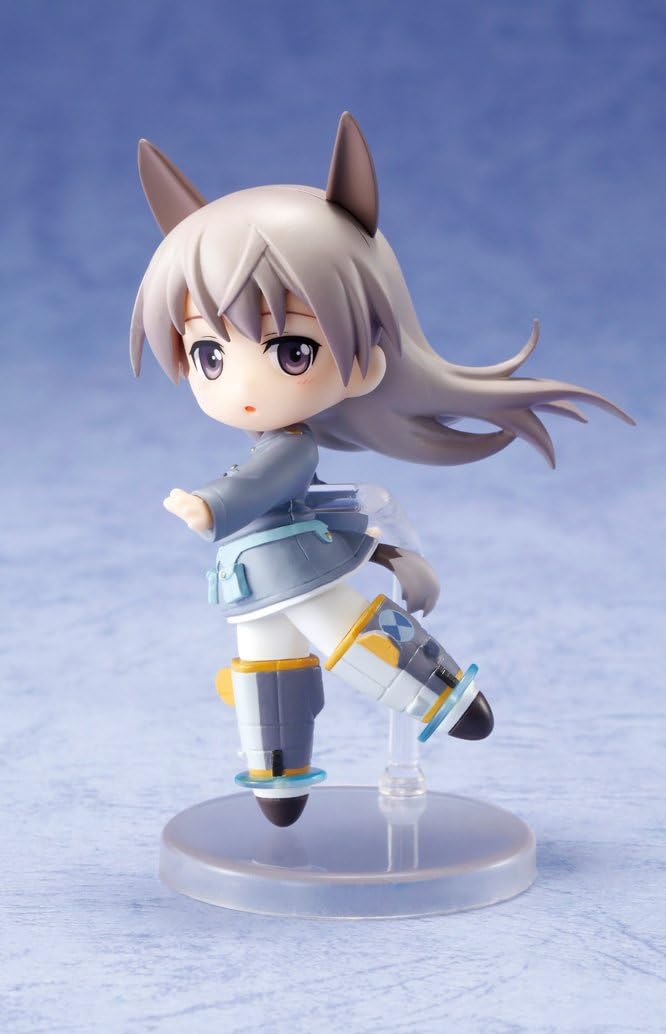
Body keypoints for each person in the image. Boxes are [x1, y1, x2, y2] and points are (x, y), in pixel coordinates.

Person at [131, 113, 632, 826]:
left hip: (296, 571)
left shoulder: (290, 447)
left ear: (364, 361)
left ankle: (443, 696)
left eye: (291, 351)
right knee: (266, 678)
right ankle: (279, 780)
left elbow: (263, 482)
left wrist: (210, 505)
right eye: (209, 353)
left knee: (350, 639)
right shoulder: (269, 440)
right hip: (250, 585)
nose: (238, 384)